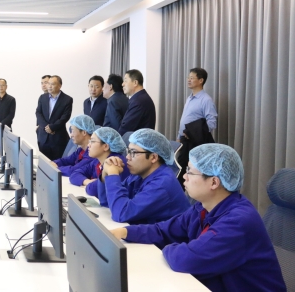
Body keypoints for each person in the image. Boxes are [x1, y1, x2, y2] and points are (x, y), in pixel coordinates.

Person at [110, 144, 286, 292]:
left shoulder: (238, 221)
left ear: (214, 182)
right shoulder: (203, 207)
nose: (184, 176)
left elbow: (186, 259)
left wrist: (170, 247)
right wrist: (125, 232)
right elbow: (163, 230)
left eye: (190, 172)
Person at [99, 129, 190, 224]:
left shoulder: (162, 184)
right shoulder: (139, 175)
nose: (127, 157)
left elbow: (121, 214)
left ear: (153, 157)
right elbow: (106, 201)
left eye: (133, 152)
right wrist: (105, 173)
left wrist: (113, 174)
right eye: (128, 151)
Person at [176, 68, 218, 186]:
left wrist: (193, 132)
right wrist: (179, 136)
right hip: (184, 140)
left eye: (192, 78)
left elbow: (212, 123)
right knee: (181, 169)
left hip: (195, 142)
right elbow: (185, 119)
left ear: (200, 80)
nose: (188, 80)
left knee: (190, 171)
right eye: (188, 77)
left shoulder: (206, 100)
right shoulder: (189, 98)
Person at [69, 127, 129, 196]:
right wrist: (87, 181)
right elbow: (75, 174)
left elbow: (93, 190)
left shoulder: (115, 162)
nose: (88, 145)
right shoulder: (97, 161)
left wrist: (90, 185)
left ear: (106, 146)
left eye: (92, 141)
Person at [35, 75, 73, 161]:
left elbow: (65, 117)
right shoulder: (42, 97)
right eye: (48, 83)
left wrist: (52, 127)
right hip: (43, 137)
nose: (49, 86)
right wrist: (46, 127)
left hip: (58, 137)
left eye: (52, 84)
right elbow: (38, 113)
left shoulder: (67, 99)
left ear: (59, 85)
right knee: (44, 163)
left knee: (56, 164)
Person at [118, 69, 156, 135]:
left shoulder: (138, 101)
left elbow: (126, 128)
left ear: (135, 83)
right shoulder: (141, 98)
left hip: (137, 141)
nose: (122, 84)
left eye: (125, 81)